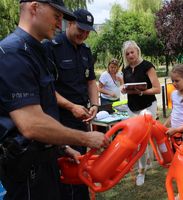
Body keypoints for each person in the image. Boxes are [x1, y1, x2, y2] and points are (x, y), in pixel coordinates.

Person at [0, 1, 109, 200]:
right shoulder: (14, 53)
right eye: (57, 17)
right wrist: (85, 138)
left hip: (46, 158)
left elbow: (45, 108)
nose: (60, 24)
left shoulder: (36, 51)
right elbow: (31, 124)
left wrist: (63, 148)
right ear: (34, 8)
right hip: (28, 168)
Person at [43, 8, 99, 200]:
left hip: (81, 117)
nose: (84, 35)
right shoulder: (51, 47)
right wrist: (71, 106)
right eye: (81, 29)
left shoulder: (86, 50)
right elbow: (47, 90)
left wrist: (94, 104)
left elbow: (91, 81)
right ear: (70, 23)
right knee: (66, 168)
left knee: (82, 163)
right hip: (59, 118)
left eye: (88, 31)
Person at [121, 40, 161, 186]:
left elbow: (157, 89)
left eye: (132, 52)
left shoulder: (147, 66)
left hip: (147, 105)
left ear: (137, 51)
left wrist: (142, 92)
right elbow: (127, 88)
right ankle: (146, 161)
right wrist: (124, 89)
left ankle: (141, 171)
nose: (130, 55)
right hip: (132, 107)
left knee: (141, 139)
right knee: (138, 140)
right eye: (127, 53)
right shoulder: (125, 70)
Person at [163, 64, 183, 146]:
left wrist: (177, 129)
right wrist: (165, 125)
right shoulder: (173, 94)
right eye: (172, 81)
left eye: (177, 81)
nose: (174, 83)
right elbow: (174, 112)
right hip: (173, 132)